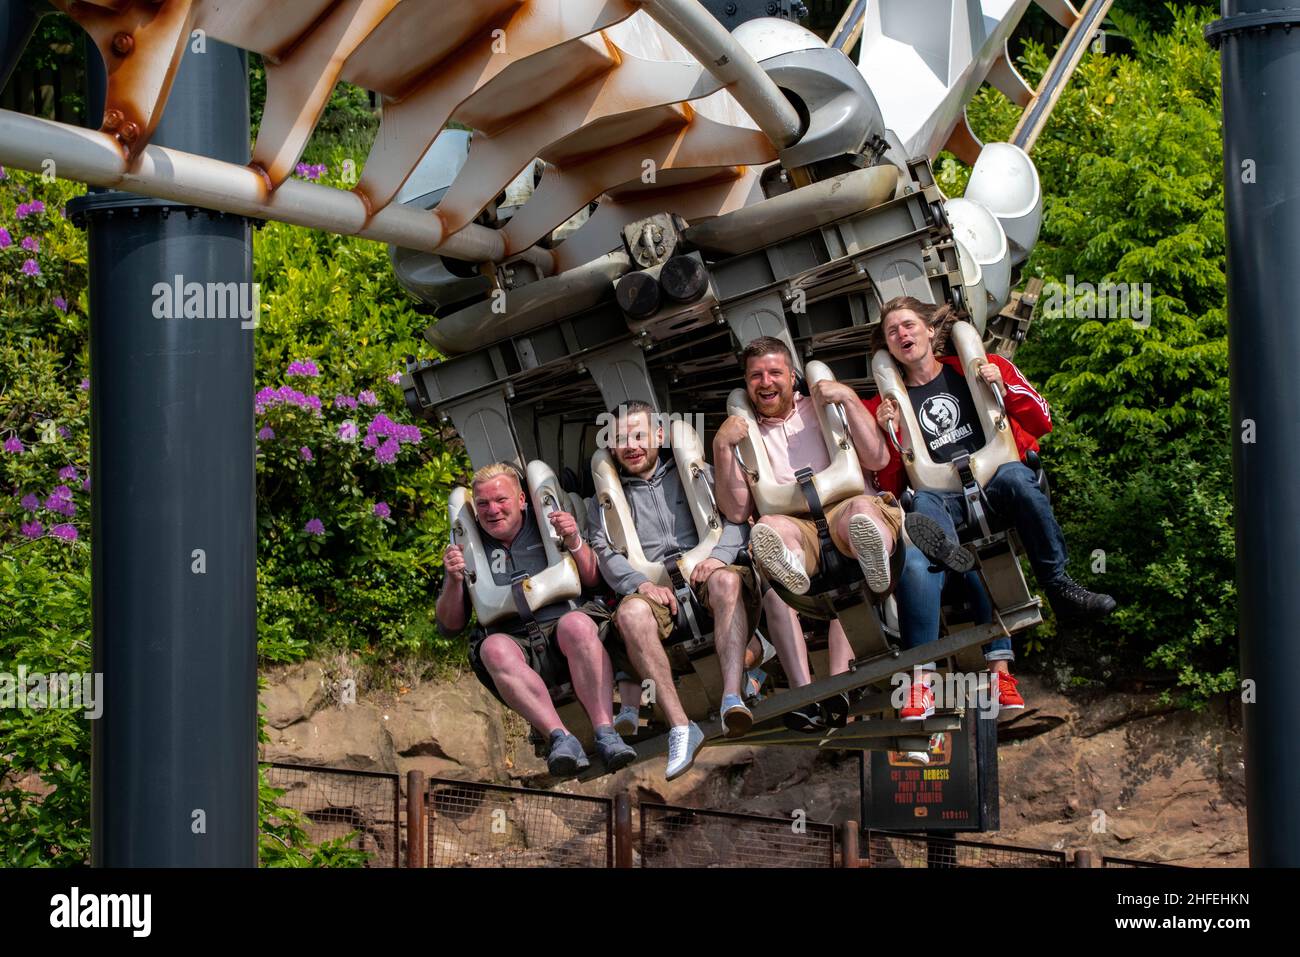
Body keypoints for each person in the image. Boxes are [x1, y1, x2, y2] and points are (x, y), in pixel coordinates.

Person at [866, 296, 1117, 718]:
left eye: (909, 325)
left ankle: (1060, 587)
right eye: (892, 332)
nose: (902, 335)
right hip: (937, 495)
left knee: (1018, 479)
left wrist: (1003, 384)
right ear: (888, 347)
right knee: (917, 531)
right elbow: (887, 484)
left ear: (930, 330)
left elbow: (1043, 420)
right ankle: (926, 650)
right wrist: (883, 433)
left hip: (996, 480)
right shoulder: (885, 403)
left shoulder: (980, 367)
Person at [712, 337, 971, 728]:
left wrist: (848, 398)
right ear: (747, 384)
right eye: (756, 376)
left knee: (861, 513)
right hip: (799, 527)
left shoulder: (820, 405)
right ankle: (792, 567)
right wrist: (720, 446)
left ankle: (874, 556)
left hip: (848, 506)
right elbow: (735, 511)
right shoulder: (744, 432)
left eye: (775, 373)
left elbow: (878, 458)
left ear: (792, 376)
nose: (766, 382)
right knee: (767, 527)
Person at [587, 402, 762, 780]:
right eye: (620, 440)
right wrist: (641, 584)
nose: (631, 446)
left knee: (727, 579)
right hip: (654, 592)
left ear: (660, 436)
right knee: (630, 613)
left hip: (706, 575)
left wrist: (718, 557)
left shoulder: (696, 472)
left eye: (639, 435)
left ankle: (733, 696)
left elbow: (736, 518)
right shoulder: (605, 501)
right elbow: (604, 552)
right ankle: (681, 726)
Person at [436, 462, 636, 777]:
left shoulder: (547, 523)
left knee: (578, 625)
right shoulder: (468, 547)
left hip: (563, 626)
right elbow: (449, 626)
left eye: (501, 500)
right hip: (515, 643)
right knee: (492, 649)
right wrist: (453, 580)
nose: (493, 510)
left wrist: (575, 542)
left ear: (521, 500)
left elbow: (595, 580)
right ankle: (560, 738)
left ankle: (606, 732)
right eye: (483, 504)